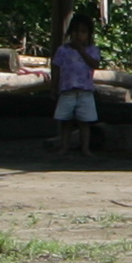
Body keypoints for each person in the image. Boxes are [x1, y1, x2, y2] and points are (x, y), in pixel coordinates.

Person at [49, 16, 100, 157]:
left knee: (85, 122)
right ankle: (64, 146)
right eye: (76, 31)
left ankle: (85, 148)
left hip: (85, 91)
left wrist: (81, 51)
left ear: (89, 35)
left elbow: (95, 64)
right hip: (67, 90)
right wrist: (54, 87)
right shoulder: (63, 50)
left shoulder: (92, 50)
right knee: (66, 121)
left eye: (83, 32)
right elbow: (56, 68)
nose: (79, 35)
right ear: (70, 33)